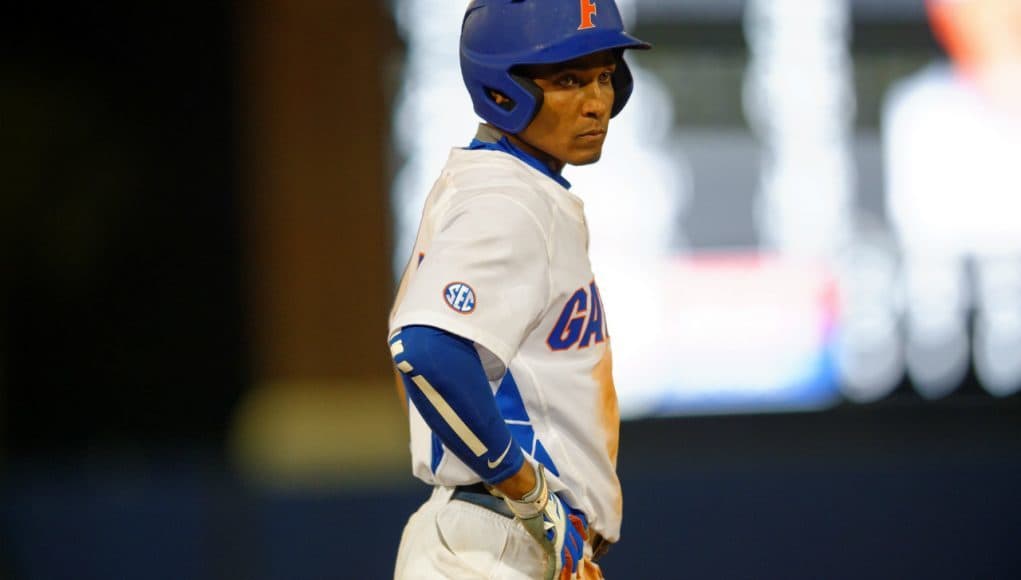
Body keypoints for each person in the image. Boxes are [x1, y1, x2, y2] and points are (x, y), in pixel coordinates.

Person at [387, 1, 650, 578]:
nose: (597, 101)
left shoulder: (515, 185)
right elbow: (425, 348)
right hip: (491, 539)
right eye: (568, 80)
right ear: (502, 89)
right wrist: (530, 496)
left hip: (508, 538)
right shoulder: (506, 200)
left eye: (605, 75)